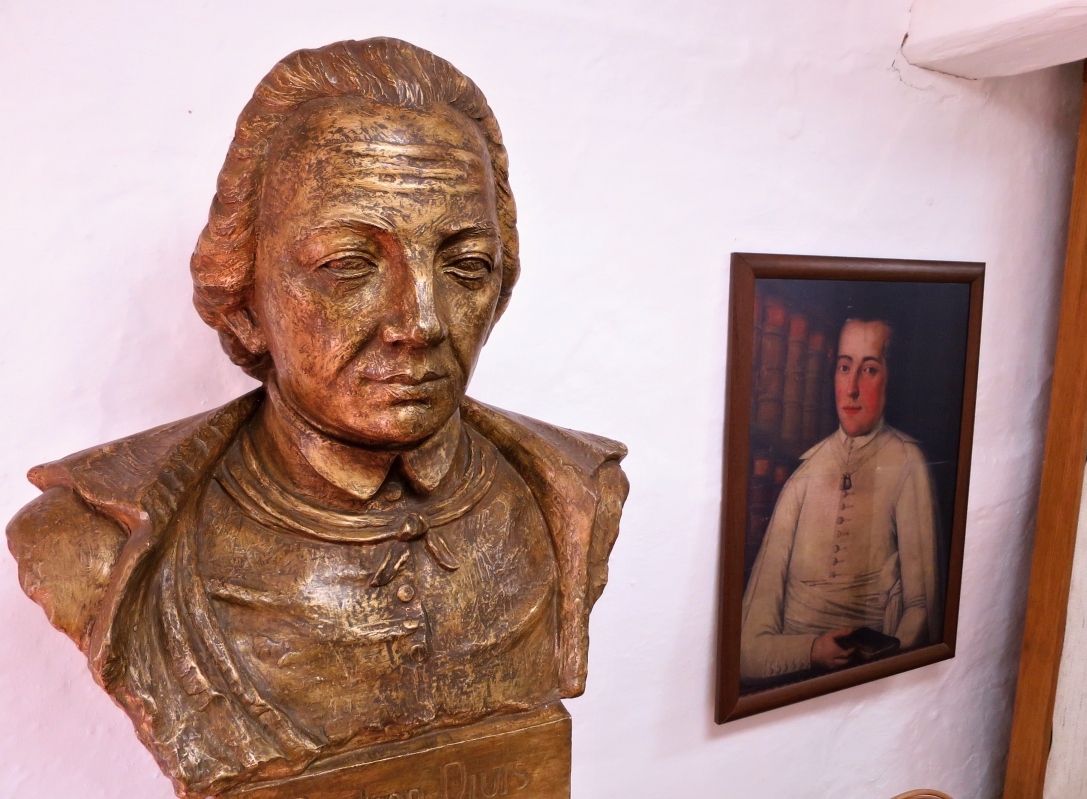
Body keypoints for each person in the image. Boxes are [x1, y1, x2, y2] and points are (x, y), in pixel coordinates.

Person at [6, 38, 627, 799]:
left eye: (465, 265)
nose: (421, 321)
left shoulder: (576, 494)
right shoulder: (95, 537)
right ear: (244, 295)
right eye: (349, 266)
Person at [740, 317, 941, 680]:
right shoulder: (803, 477)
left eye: (869, 370)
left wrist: (872, 667)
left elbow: (921, 609)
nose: (851, 389)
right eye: (845, 368)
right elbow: (747, 647)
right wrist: (811, 651)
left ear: (890, 378)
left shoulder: (906, 463)